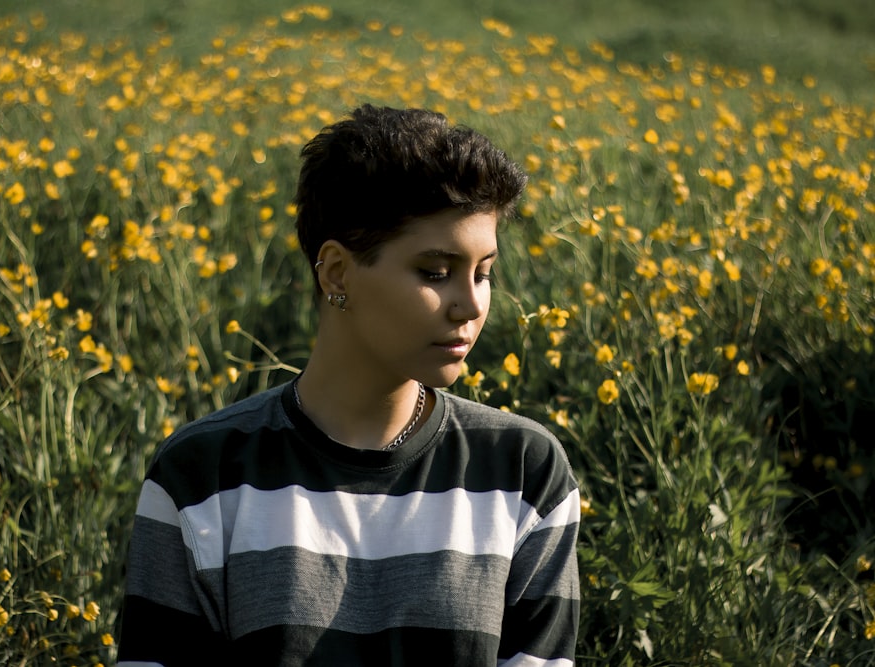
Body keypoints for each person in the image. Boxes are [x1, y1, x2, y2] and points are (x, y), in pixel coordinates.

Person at [116, 104, 580, 666]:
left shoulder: (522, 472)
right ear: (336, 272)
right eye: (436, 272)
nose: (471, 304)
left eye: (483, 272)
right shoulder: (202, 477)